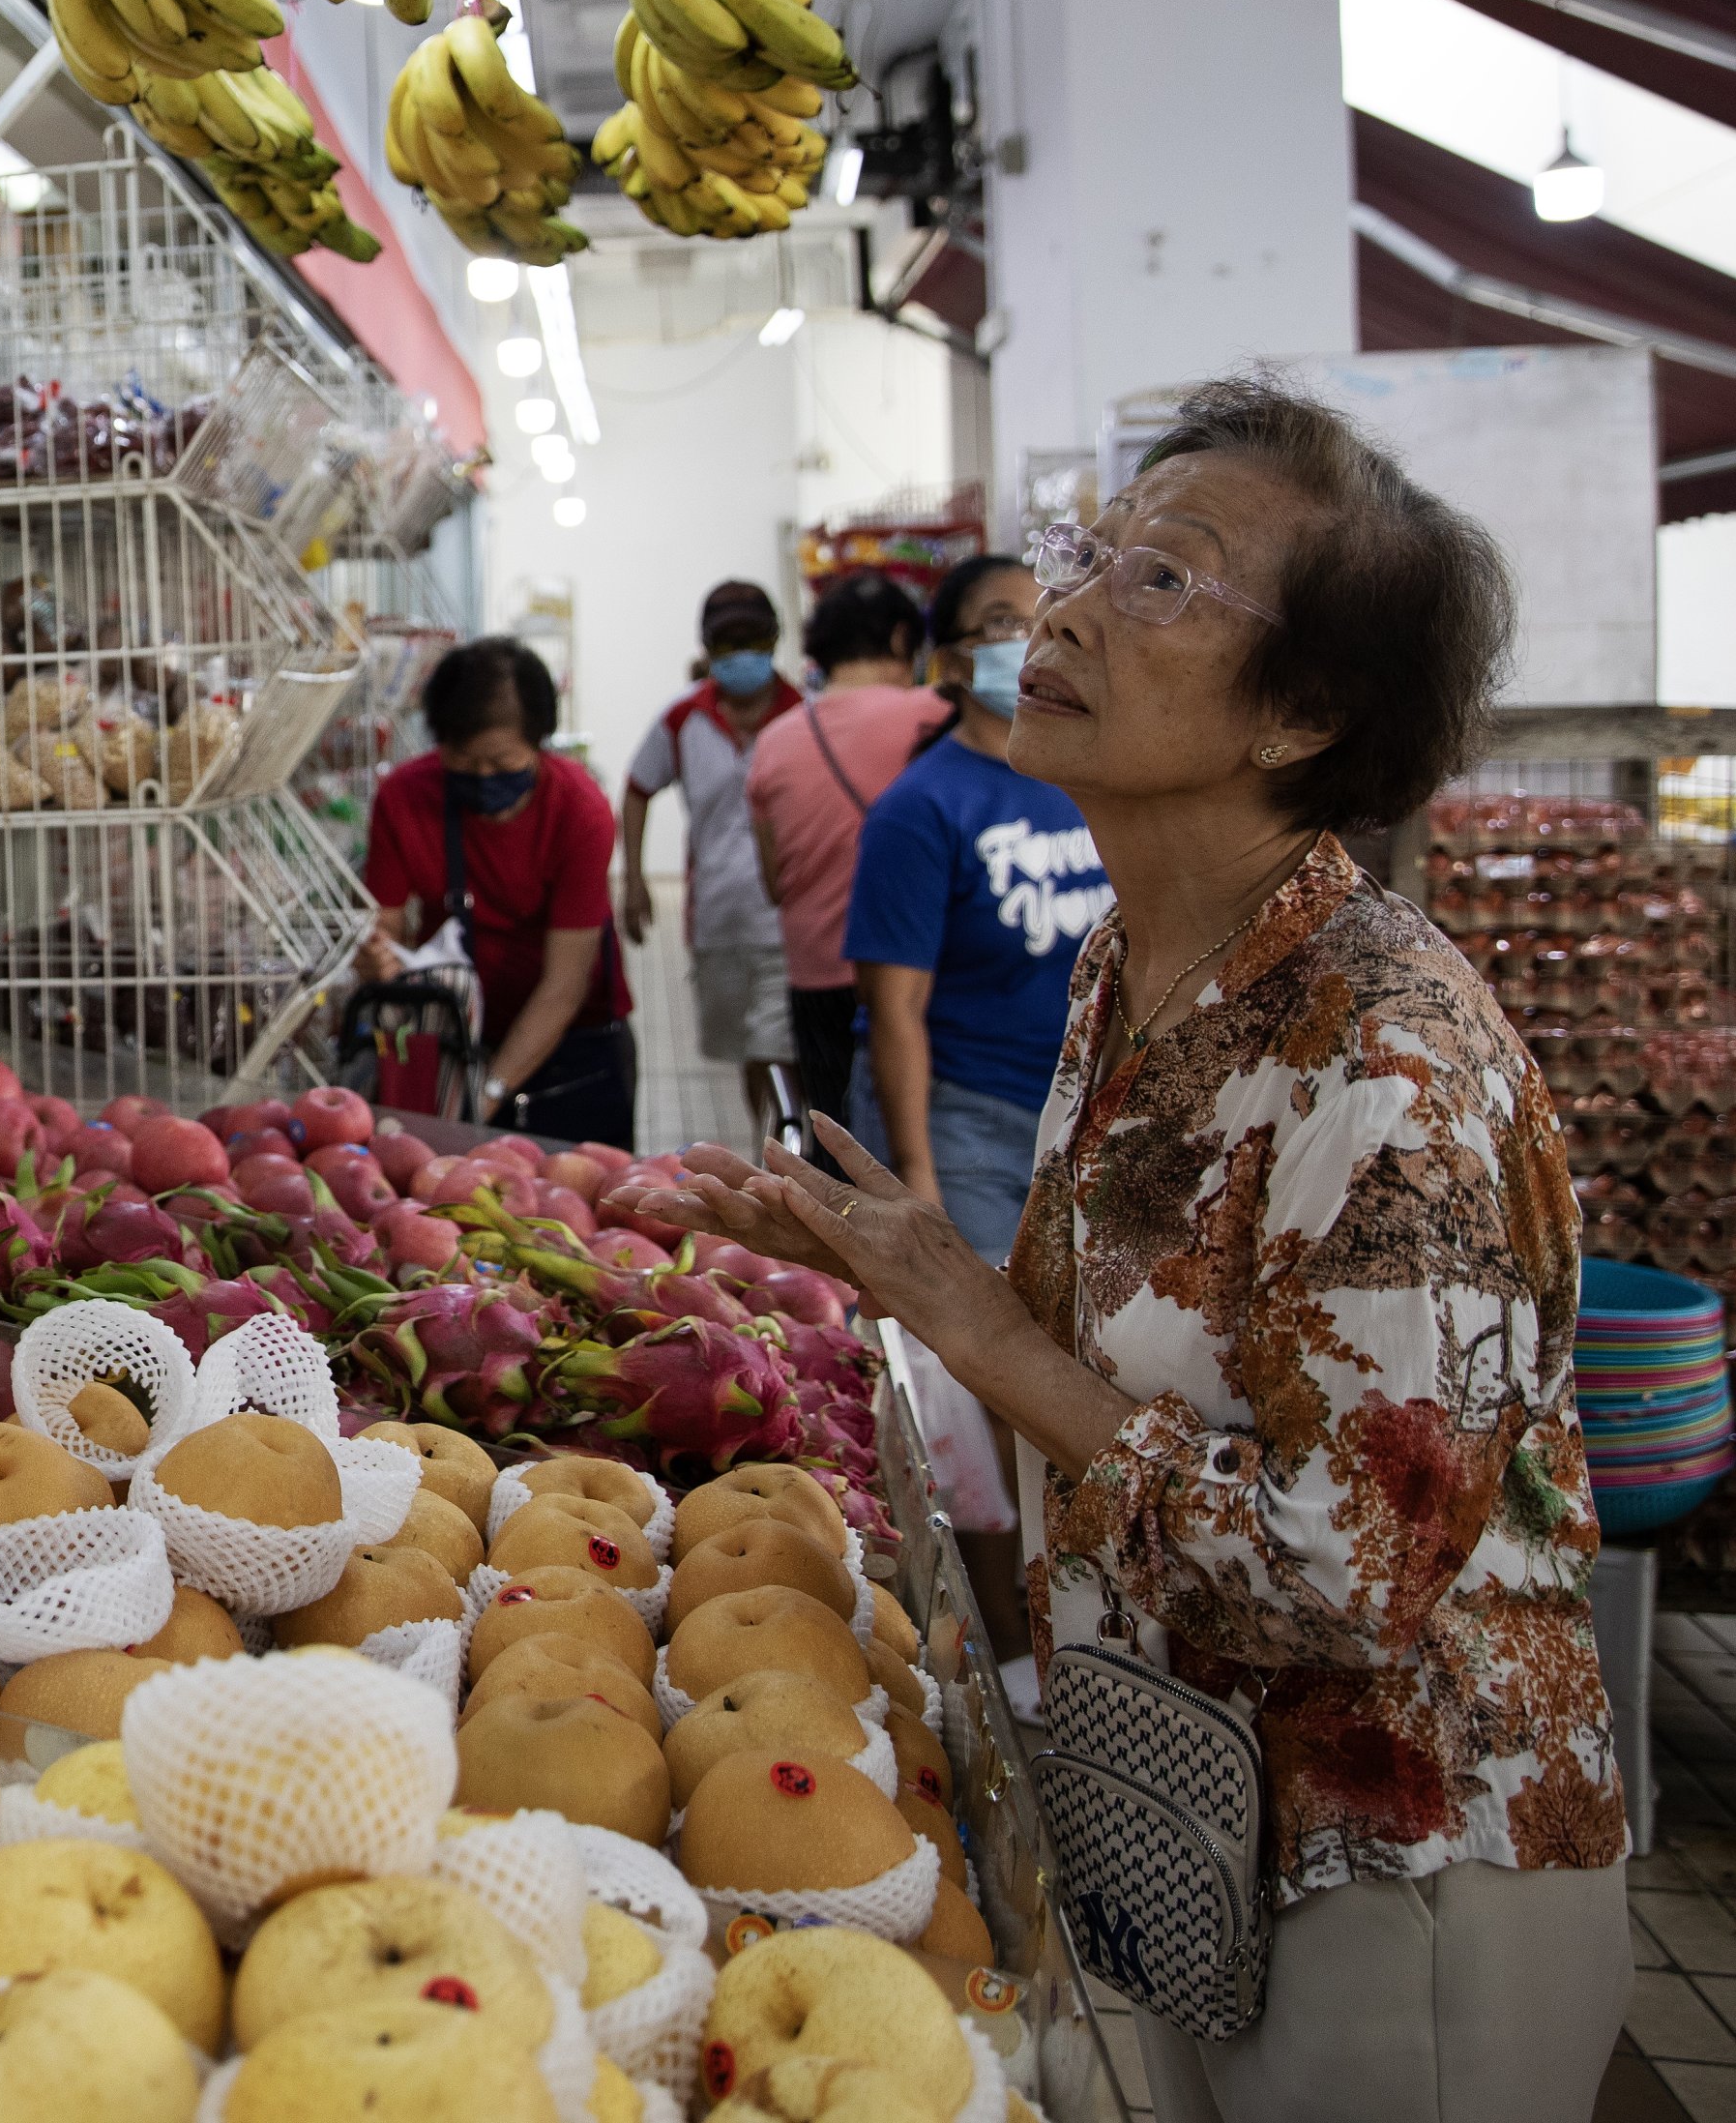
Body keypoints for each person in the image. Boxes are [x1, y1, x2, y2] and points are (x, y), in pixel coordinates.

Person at [644, 374, 1624, 2123]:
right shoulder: (1137, 963)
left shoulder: (1382, 1058)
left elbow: (1354, 1569)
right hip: (1193, 1805)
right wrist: (881, 1258)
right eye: (1087, 552)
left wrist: (981, 1329)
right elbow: (1131, 1355)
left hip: (1392, 1867)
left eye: (1162, 579)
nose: (1067, 608)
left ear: (1306, 708)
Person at [840, 552, 1105, 1262]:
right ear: (952, 664)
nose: (1033, 633)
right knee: (977, 1349)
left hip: (1084, 1115)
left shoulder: (1089, 781)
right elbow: (894, 1009)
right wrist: (916, 1178)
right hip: (969, 1123)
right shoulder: (920, 809)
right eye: (1003, 621)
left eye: (1044, 612)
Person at [362, 635, 636, 1144]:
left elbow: (565, 985)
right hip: (451, 1032)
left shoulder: (579, 809)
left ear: (539, 742)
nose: (484, 778)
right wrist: (376, 957)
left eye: (504, 764)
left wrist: (483, 1093)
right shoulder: (405, 797)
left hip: (573, 1044)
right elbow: (384, 925)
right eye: (465, 764)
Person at [747, 570, 940, 1131]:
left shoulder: (774, 742)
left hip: (819, 971)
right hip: (920, 969)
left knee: (836, 1139)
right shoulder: (938, 718)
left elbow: (774, 882)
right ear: (904, 640)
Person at [621, 578, 805, 1111]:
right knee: (752, 1051)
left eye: (753, 641)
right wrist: (634, 880)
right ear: (706, 648)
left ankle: (786, 1155)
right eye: (728, 643)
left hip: (792, 917)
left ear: (774, 641)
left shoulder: (805, 713)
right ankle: (770, 1148)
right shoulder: (682, 720)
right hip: (718, 917)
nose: (742, 655)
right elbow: (636, 790)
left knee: (782, 1048)